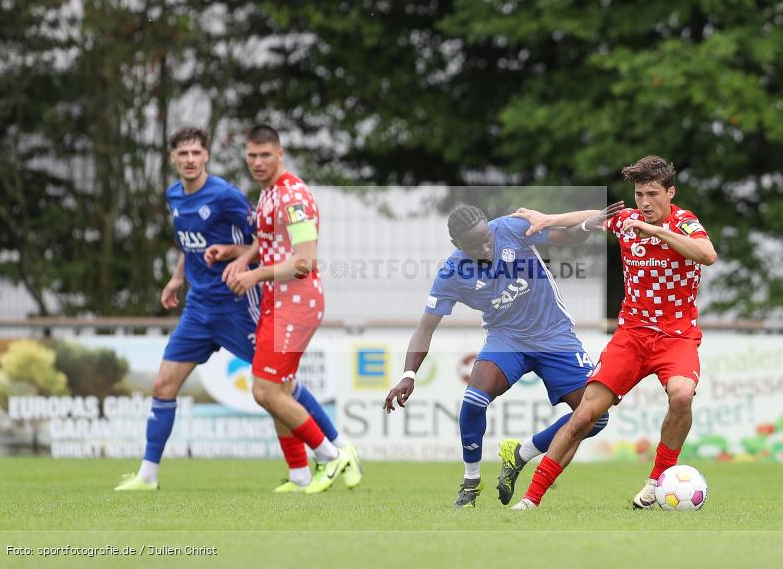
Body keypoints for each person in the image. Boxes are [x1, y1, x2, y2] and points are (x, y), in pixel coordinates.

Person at [114, 127, 356, 493]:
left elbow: (295, 257)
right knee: (168, 384)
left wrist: (248, 267)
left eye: (197, 152)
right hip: (206, 307)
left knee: (275, 388)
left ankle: (335, 450)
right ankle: (149, 475)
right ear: (173, 158)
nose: (190, 159)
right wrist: (191, 273)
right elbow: (240, 242)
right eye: (252, 156)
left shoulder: (261, 195)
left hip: (254, 304)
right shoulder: (258, 194)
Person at [509, 155, 717, 510]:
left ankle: (656, 482)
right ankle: (531, 499)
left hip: (676, 336)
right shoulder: (626, 220)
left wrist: (656, 232)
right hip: (632, 335)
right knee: (584, 417)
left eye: (652, 194)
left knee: (682, 396)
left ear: (671, 193)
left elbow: (707, 254)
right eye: (639, 195)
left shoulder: (685, 223)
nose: (645, 202)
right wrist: (548, 219)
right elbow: (589, 217)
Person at [383, 201, 624, 507]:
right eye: (475, 245)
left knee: (597, 417)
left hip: (554, 334)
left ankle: (521, 453)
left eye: (487, 239)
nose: (486, 247)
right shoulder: (452, 273)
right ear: (456, 245)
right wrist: (408, 375)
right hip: (506, 339)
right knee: (473, 402)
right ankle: (470, 483)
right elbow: (425, 328)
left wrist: (588, 225)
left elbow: (568, 237)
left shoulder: (511, 228)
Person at [216, 124, 357, 494]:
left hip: (296, 303)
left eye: (266, 155)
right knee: (280, 388)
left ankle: (331, 455)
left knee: (265, 392)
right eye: (252, 155)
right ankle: (298, 474)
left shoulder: (292, 196)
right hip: (276, 302)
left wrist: (255, 274)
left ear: (280, 154)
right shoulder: (267, 194)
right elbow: (266, 243)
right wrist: (239, 256)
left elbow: (304, 262)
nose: (258, 162)